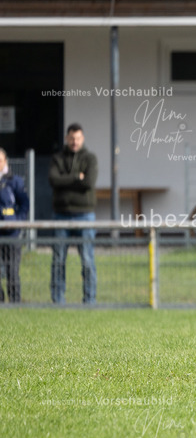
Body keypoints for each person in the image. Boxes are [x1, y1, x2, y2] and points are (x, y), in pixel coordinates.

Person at [49, 123, 98, 304]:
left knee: (87, 259)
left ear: (82, 138)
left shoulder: (90, 158)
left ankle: (90, 300)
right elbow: (53, 180)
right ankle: (58, 300)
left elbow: (89, 183)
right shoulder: (58, 158)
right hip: (61, 215)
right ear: (66, 138)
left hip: (85, 215)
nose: (74, 142)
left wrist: (66, 181)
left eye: (77, 138)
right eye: (71, 138)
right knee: (58, 259)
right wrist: (77, 177)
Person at [0, 148, 30, 303]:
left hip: (11, 234)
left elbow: (24, 204)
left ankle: (15, 303)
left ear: (5, 161)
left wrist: (17, 221)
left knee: (12, 270)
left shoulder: (15, 181)